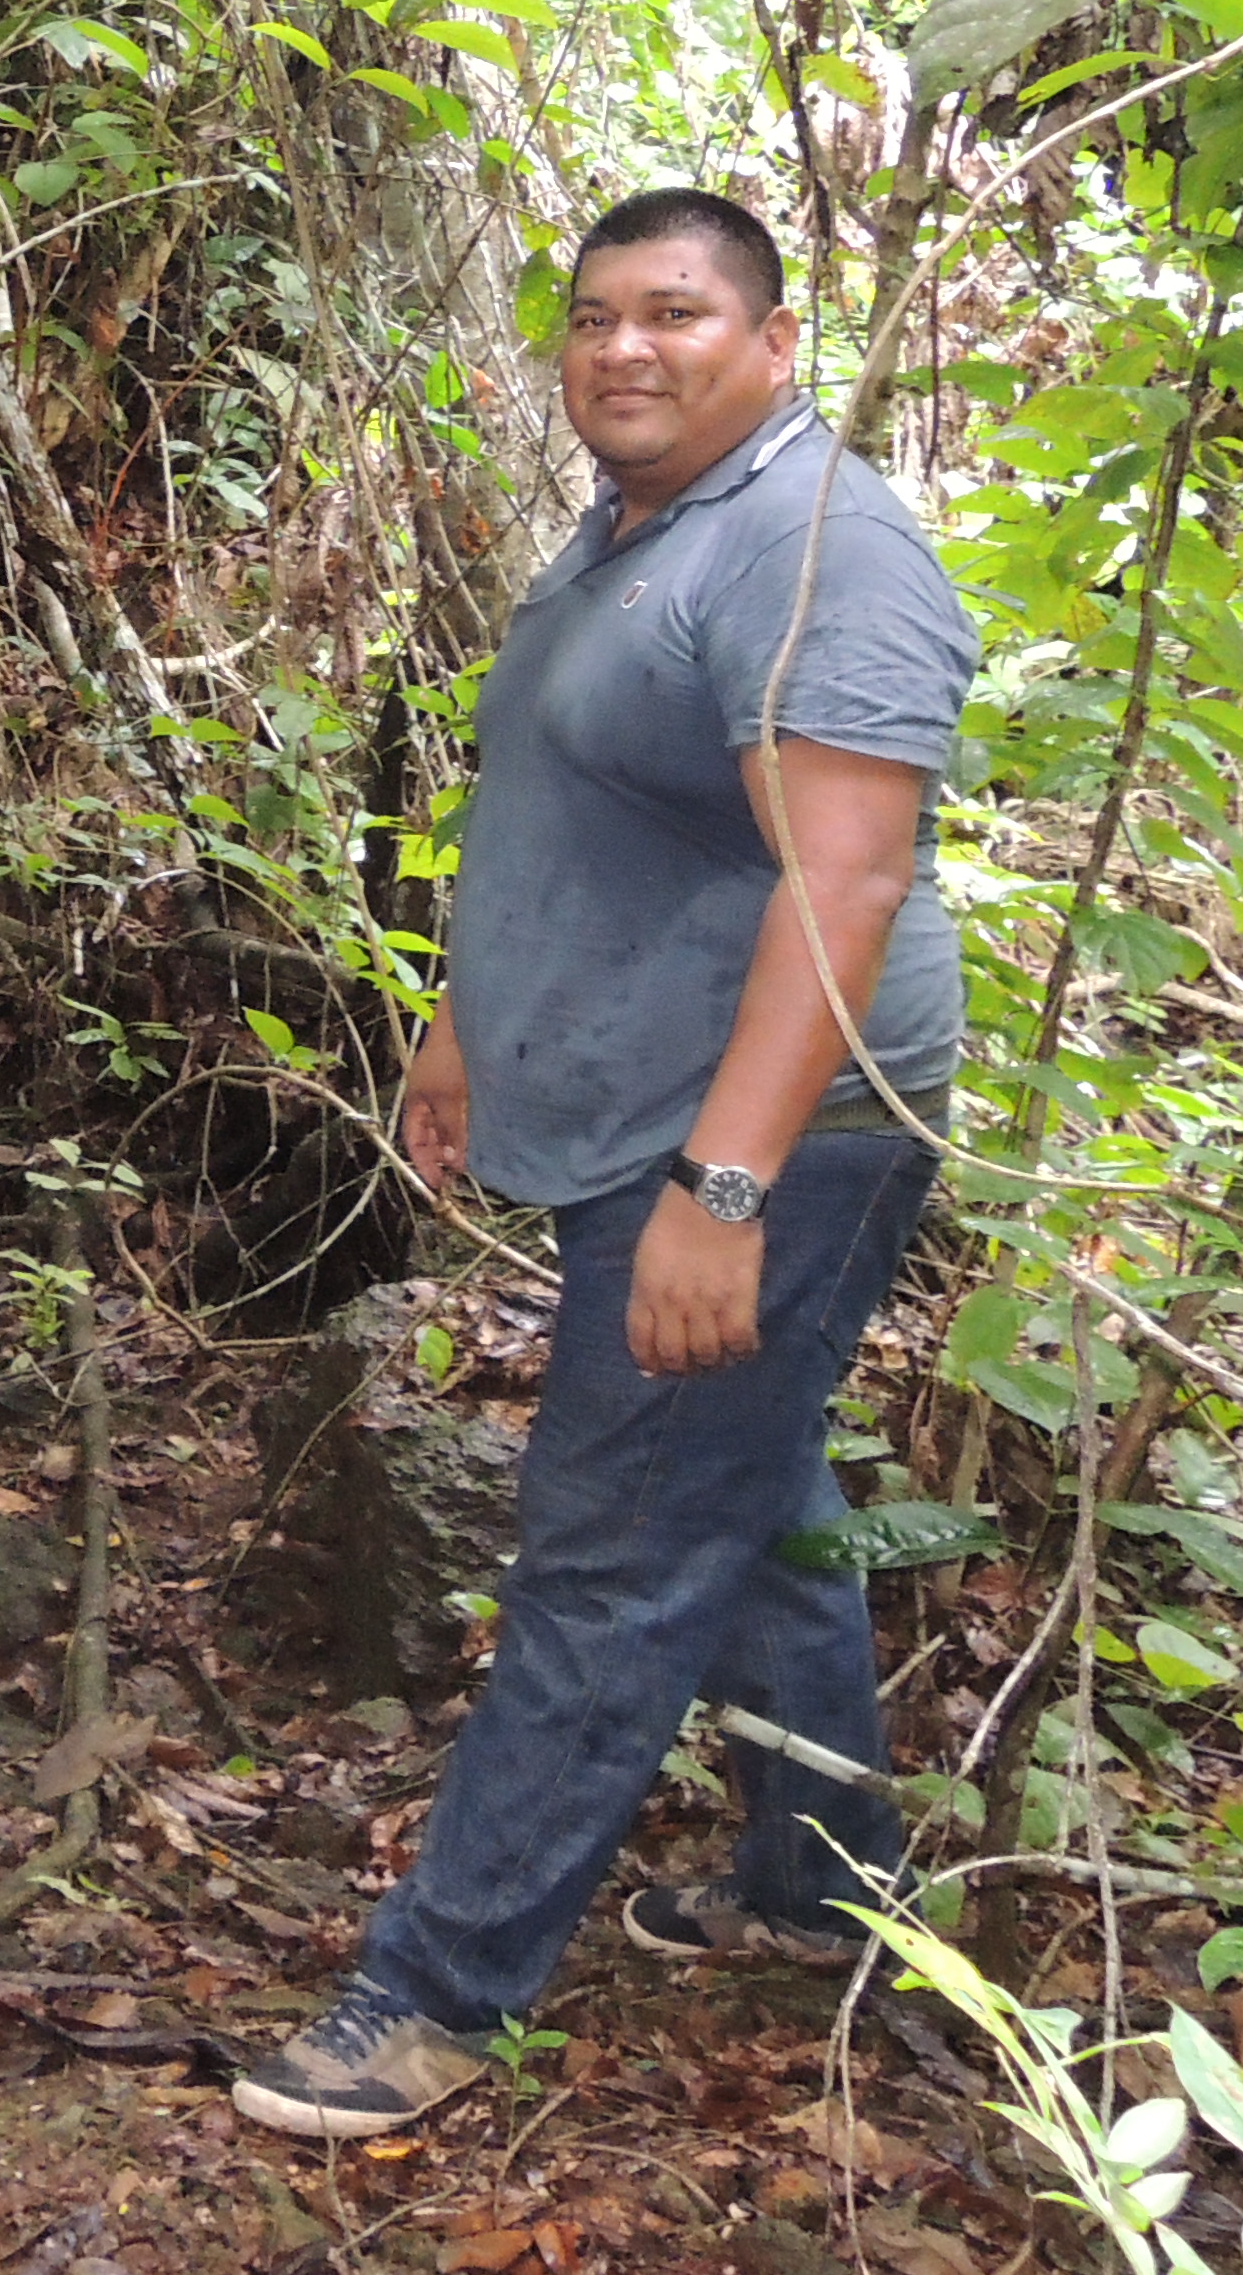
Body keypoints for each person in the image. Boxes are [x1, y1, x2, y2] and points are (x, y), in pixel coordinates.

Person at [229, 187, 981, 2143]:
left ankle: (433, 1995)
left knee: (614, 1550)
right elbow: (576, 801)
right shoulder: (644, 528)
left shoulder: (822, 554)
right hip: (644, 1107)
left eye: (675, 314)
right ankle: (826, 1890)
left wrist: (723, 1193)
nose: (624, 350)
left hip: (764, 1144)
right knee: (754, 1492)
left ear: (775, 340)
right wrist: (470, 1015)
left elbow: (851, 878)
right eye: (593, 318)